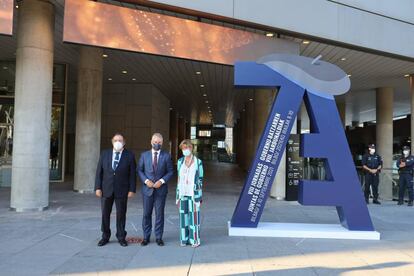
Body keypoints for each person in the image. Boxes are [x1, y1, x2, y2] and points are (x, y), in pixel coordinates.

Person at [95, 133, 136, 247]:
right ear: (112, 141)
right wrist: (98, 187)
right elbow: (99, 172)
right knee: (105, 214)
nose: (118, 142)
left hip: (122, 189)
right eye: (116, 140)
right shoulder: (105, 154)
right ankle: (105, 236)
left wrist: (132, 189)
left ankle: (121, 236)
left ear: (124, 142)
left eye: (120, 140)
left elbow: (132, 174)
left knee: (121, 214)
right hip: (106, 189)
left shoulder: (129, 155)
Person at [138, 133, 174, 246]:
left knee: (159, 214)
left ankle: (159, 237)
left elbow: (171, 171)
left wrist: (162, 181)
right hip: (147, 190)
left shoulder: (166, 156)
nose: (157, 144)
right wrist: (146, 181)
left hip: (161, 191)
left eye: (159, 142)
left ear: (162, 143)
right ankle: (146, 237)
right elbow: (139, 170)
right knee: (146, 214)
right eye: (155, 142)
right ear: (151, 141)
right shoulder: (144, 155)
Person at [176, 139, 204, 247]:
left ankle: (195, 240)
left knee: (194, 218)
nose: (185, 150)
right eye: (183, 148)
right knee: (183, 218)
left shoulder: (198, 162)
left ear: (191, 148)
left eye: (186, 147)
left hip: (193, 195)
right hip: (183, 193)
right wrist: (177, 196)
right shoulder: (180, 162)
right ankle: (184, 239)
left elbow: (201, 179)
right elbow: (178, 178)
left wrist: (199, 196)